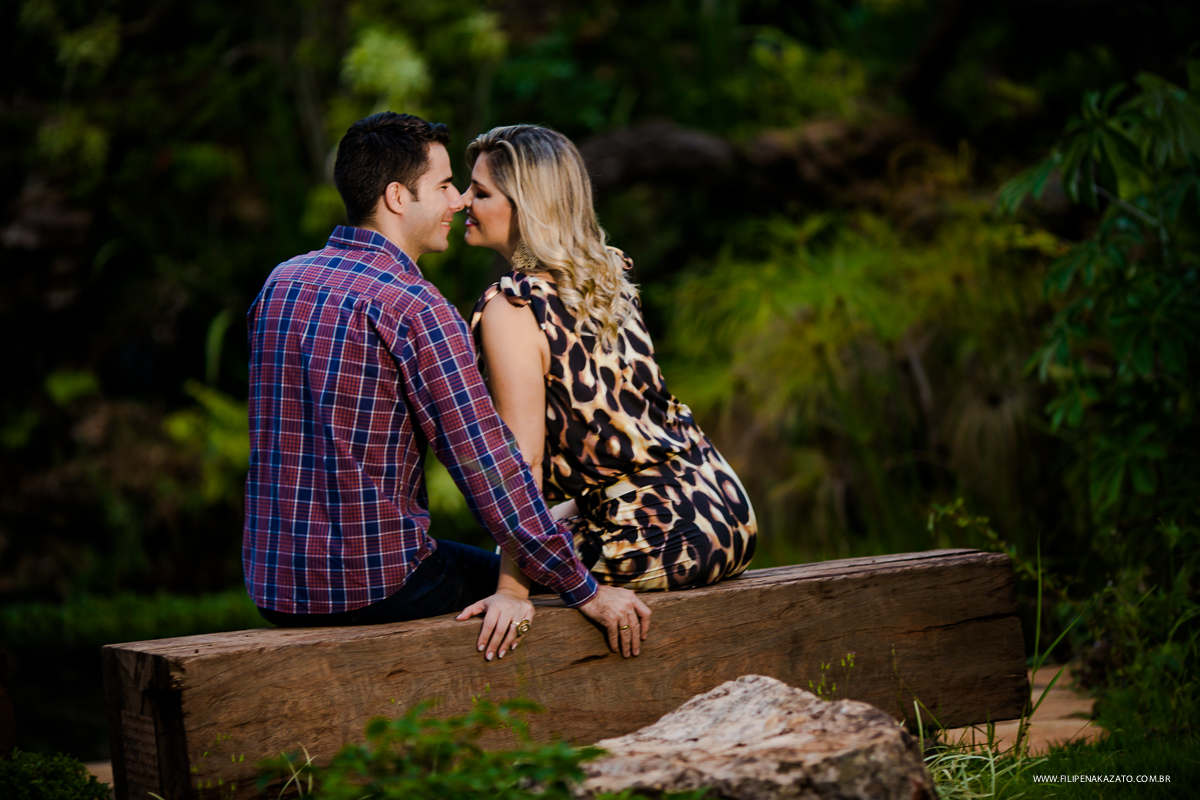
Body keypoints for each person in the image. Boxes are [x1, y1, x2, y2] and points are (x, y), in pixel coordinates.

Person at [243, 112, 650, 660]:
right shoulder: (415, 308)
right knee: (555, 588)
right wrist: (585, 590)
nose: (458, 200)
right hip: (376, 584)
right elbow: (487, 468)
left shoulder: (281, 282)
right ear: (395, 197)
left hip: (275, 586)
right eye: (443, 186)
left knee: (512, 561)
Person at [458, 124, 757, 618]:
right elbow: (625, 433)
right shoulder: (606, 273)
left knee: (507, 556)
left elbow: (523, 462)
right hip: (724, 505)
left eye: (481, 192)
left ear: (527, 204)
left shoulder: (511, 306)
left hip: (662, 533)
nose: (464, 201)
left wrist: (513, 591)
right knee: (548, 522)